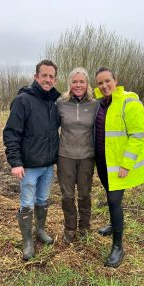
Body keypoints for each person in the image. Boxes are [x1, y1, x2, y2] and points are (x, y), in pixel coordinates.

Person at [3, 59, 61, 260]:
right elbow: (11, 133)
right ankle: (27, 240)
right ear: (36, 77)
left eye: (51, 76)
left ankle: (40, 231)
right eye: (44, 75)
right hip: (28, 166)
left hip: (48, 165)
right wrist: (15, 162)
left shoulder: (54, 102)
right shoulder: (23, 100)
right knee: (26, 203)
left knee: (43, 200)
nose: (47, 79)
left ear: (55, 79)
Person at [94, 67, 144, 268]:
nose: (104, 85)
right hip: (103, 162)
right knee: (110, 196)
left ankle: (118, 246)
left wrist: (126, 164)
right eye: (100, 83)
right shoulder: (100, 104)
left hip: (119, 166)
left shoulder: (129, 101)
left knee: (114, 201)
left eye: (108, 81)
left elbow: (137, 136)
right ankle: (113, 225)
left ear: (116, 80)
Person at [57, 67, 97, 244]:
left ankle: (85, 227)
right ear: (69, 83)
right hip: (65, 155)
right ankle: (70, 228)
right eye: (75, 81)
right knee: (67, 195)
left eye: (82, 81)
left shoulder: (95, 105)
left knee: (84, 194)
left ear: (87, 83)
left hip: (87, 156)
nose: (78, 85)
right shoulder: (60, 103)